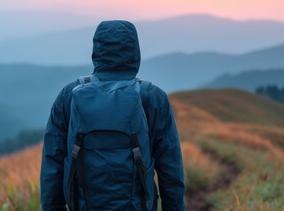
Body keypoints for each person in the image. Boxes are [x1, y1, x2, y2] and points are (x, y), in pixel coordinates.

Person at [40, 20, 185, 211]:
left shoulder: (70, 95)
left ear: (96, 51)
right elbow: (171, 169)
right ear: (135, 52)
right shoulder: (151, 97)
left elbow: (52, 164)